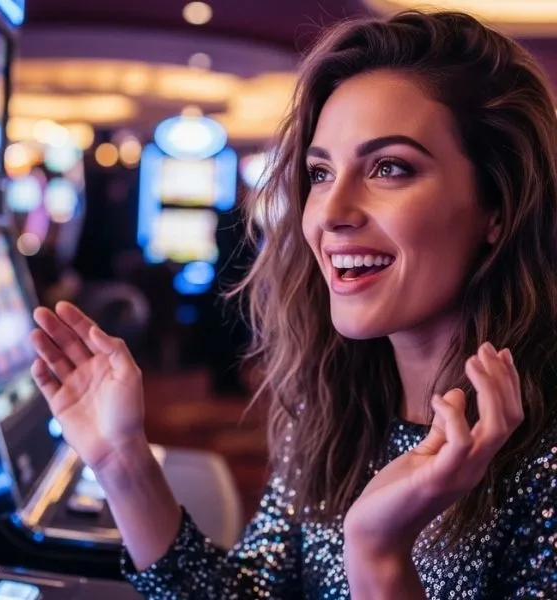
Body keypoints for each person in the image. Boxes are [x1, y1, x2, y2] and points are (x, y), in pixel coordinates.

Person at [28, 10, 557, 599]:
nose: (330, 213)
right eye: (321, 173)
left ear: (498, 208)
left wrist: (380, 557)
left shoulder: (545, 458)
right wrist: (122, 461)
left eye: (389, 168)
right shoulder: (332, 403)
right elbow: (252, 592)